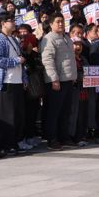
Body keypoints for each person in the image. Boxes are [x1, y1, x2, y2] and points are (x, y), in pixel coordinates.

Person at [0, 14, 28, 155]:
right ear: (3, 23)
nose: (13, 23)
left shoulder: (13, 39)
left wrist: (24, 79)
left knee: (18, 115)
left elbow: (21, 60)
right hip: (6, 82)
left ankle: (15, 143)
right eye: (10, 21)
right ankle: (7, 144)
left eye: (13, 20)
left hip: (17, 81)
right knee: (7, 116)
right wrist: (16, 61)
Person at [40, 15, 78, 150]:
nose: (61, 24)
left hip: (68, 79)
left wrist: (73, 76)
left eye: (62, 21)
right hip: (56, 81)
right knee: (54, 112)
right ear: (51, 24)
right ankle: (52, 138)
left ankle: (64, 137)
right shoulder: (49, 39)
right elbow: (47, 60)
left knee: (65, 111)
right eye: (58, 22)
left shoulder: (66, 38)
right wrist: (54, 79)